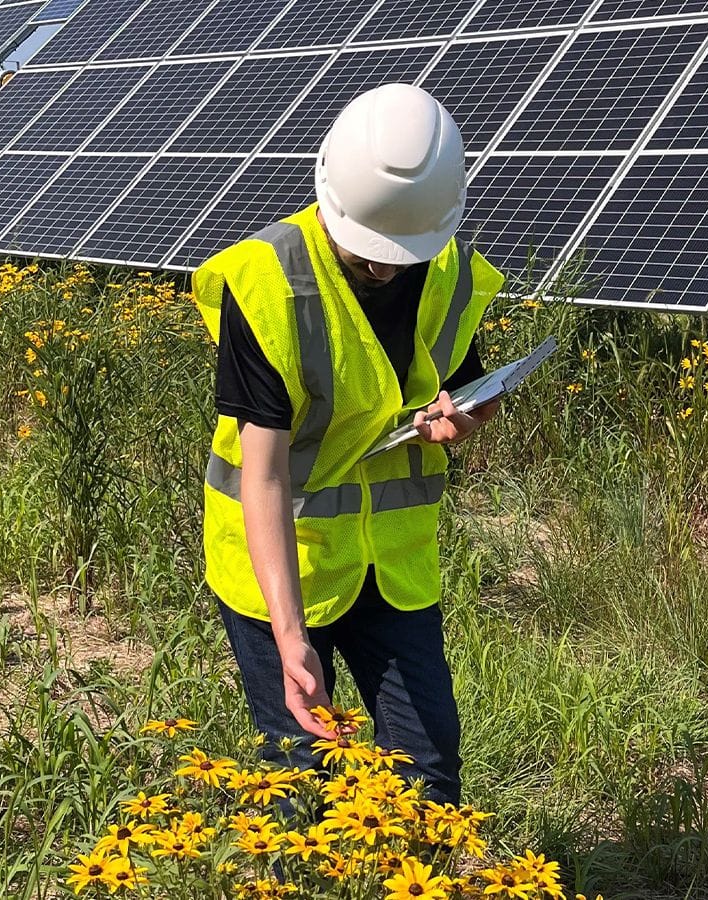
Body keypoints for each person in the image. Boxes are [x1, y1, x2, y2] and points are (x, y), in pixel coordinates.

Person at [191, 83, 504, 805]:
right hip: (280, 562)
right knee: (301, 779)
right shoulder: (266, 283)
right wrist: (289, 635)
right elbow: (264, 476)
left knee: (428, 773)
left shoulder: (446, 266)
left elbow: (463, 393)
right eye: (369, 257)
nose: (388, 271)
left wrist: (464, 420)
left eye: (403, 256)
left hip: (390, 566)